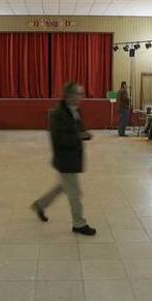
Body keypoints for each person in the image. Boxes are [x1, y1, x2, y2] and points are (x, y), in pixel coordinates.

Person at [31, 82, 96, 236]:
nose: (80, 97)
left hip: (73, 158)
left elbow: (79, 129)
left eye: (81, 94)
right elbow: (58, 139)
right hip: (65, 159)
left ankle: (40, 205)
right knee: (75, 193)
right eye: (78, 94)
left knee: (62, 187)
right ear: (68, 95)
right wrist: (79, 136)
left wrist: (84, 134)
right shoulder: (57, 114)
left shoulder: (76, 110)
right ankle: (79, 224)